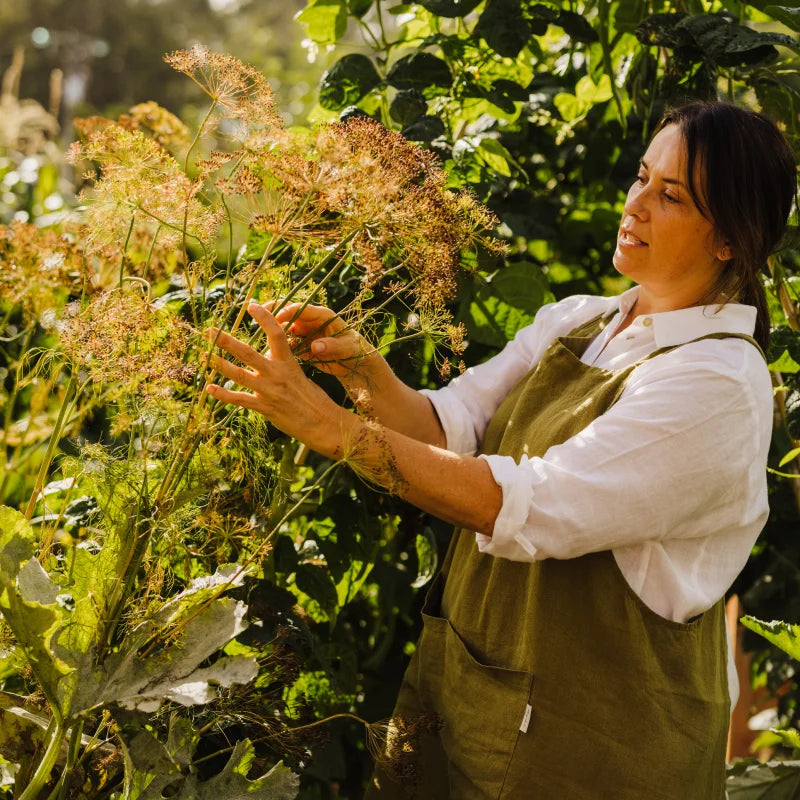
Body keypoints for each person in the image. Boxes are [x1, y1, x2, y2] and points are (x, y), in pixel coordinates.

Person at [205, 101, 797, 799]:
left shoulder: (719, 381)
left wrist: (333, 430)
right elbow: (450, 426)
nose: (635, 204)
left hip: (597, 750)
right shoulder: (583, 320)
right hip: (477, 699)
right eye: (642, 177)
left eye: (670, 196)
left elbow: (531, 505)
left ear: (730, 238)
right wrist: (360, 371)